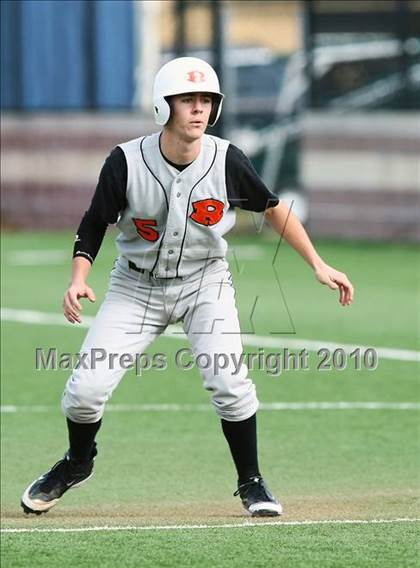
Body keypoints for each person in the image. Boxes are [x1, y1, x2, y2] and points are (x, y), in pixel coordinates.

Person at [21, 57, 354, 518]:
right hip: (135, 288)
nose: (198, 109)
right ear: (163, 106)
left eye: (206, 100)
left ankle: (252, 481)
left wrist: (318, 263)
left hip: (205, 285)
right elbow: (94, 222)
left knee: (229, 381)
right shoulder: (126, 160)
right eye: (187, 100)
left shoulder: (226, 158)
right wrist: (78, 279)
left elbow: (272, 208)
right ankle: (77, 463)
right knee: (85, 390)